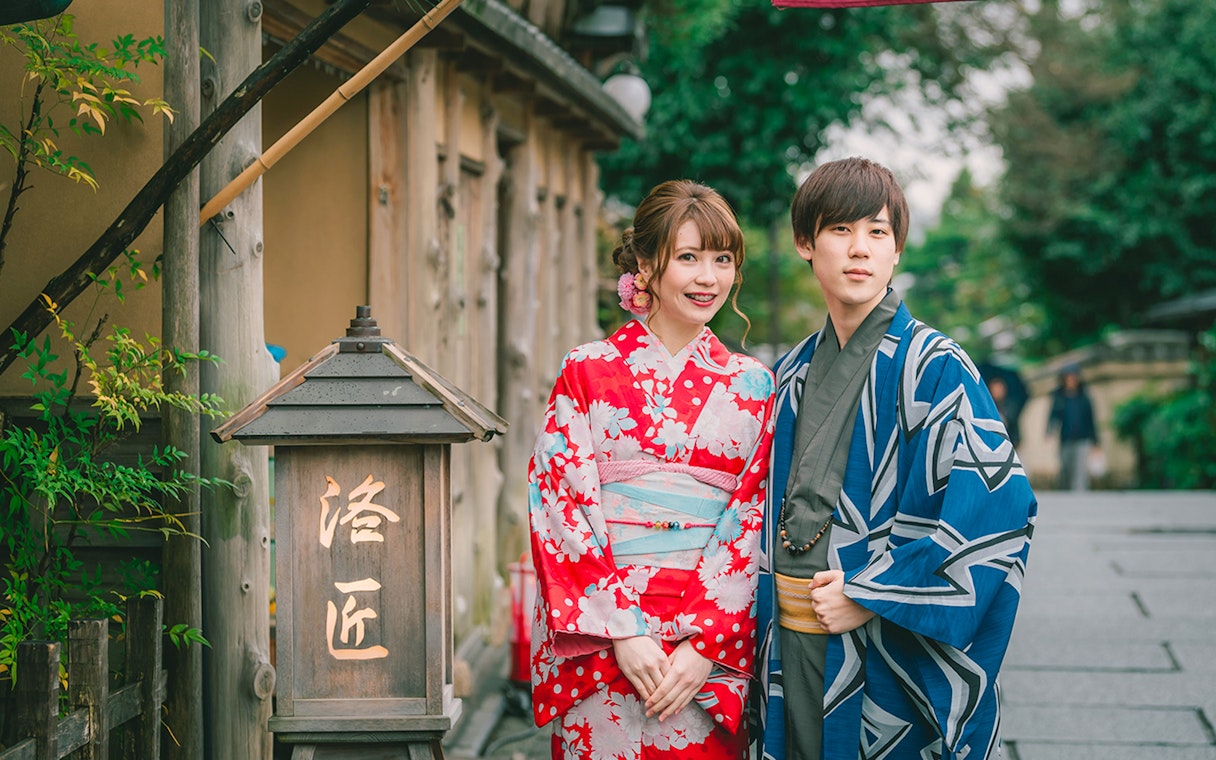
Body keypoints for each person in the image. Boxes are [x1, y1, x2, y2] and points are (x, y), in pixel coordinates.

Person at [755, 157, 1037, 760]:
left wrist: (870, 592)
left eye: (877, 232)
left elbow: (1000, 506)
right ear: (806, 243)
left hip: (879, 636)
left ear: (897, 250)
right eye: (840, 230)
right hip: (790, 635)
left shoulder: (936, 367)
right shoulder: (791, 374)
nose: (860, 250)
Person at [527, 179, 776, 759]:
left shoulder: (754, 385)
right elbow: (559, 503)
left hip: (703, 655)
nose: (708, 277)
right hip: (607, 640)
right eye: (688, 257)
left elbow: (753, 518)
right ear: (644, 262)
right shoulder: (586, 370)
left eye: (722, 260)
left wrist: (705, 643)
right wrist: (624, 632)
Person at [1048, 363, 1098, 490]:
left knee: (1080, 469)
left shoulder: (1084, 398)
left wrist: (1096, 441)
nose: (1070, 381)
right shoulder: (1059, 397)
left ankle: (1080, 495)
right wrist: (1049, 430)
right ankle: (1066, 493)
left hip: (1082, 438)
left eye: (1073, 378)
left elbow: (1091, 419)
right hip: (1066, 438)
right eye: (1068, 378)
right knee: (1066, 468)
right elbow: (1053, 416)